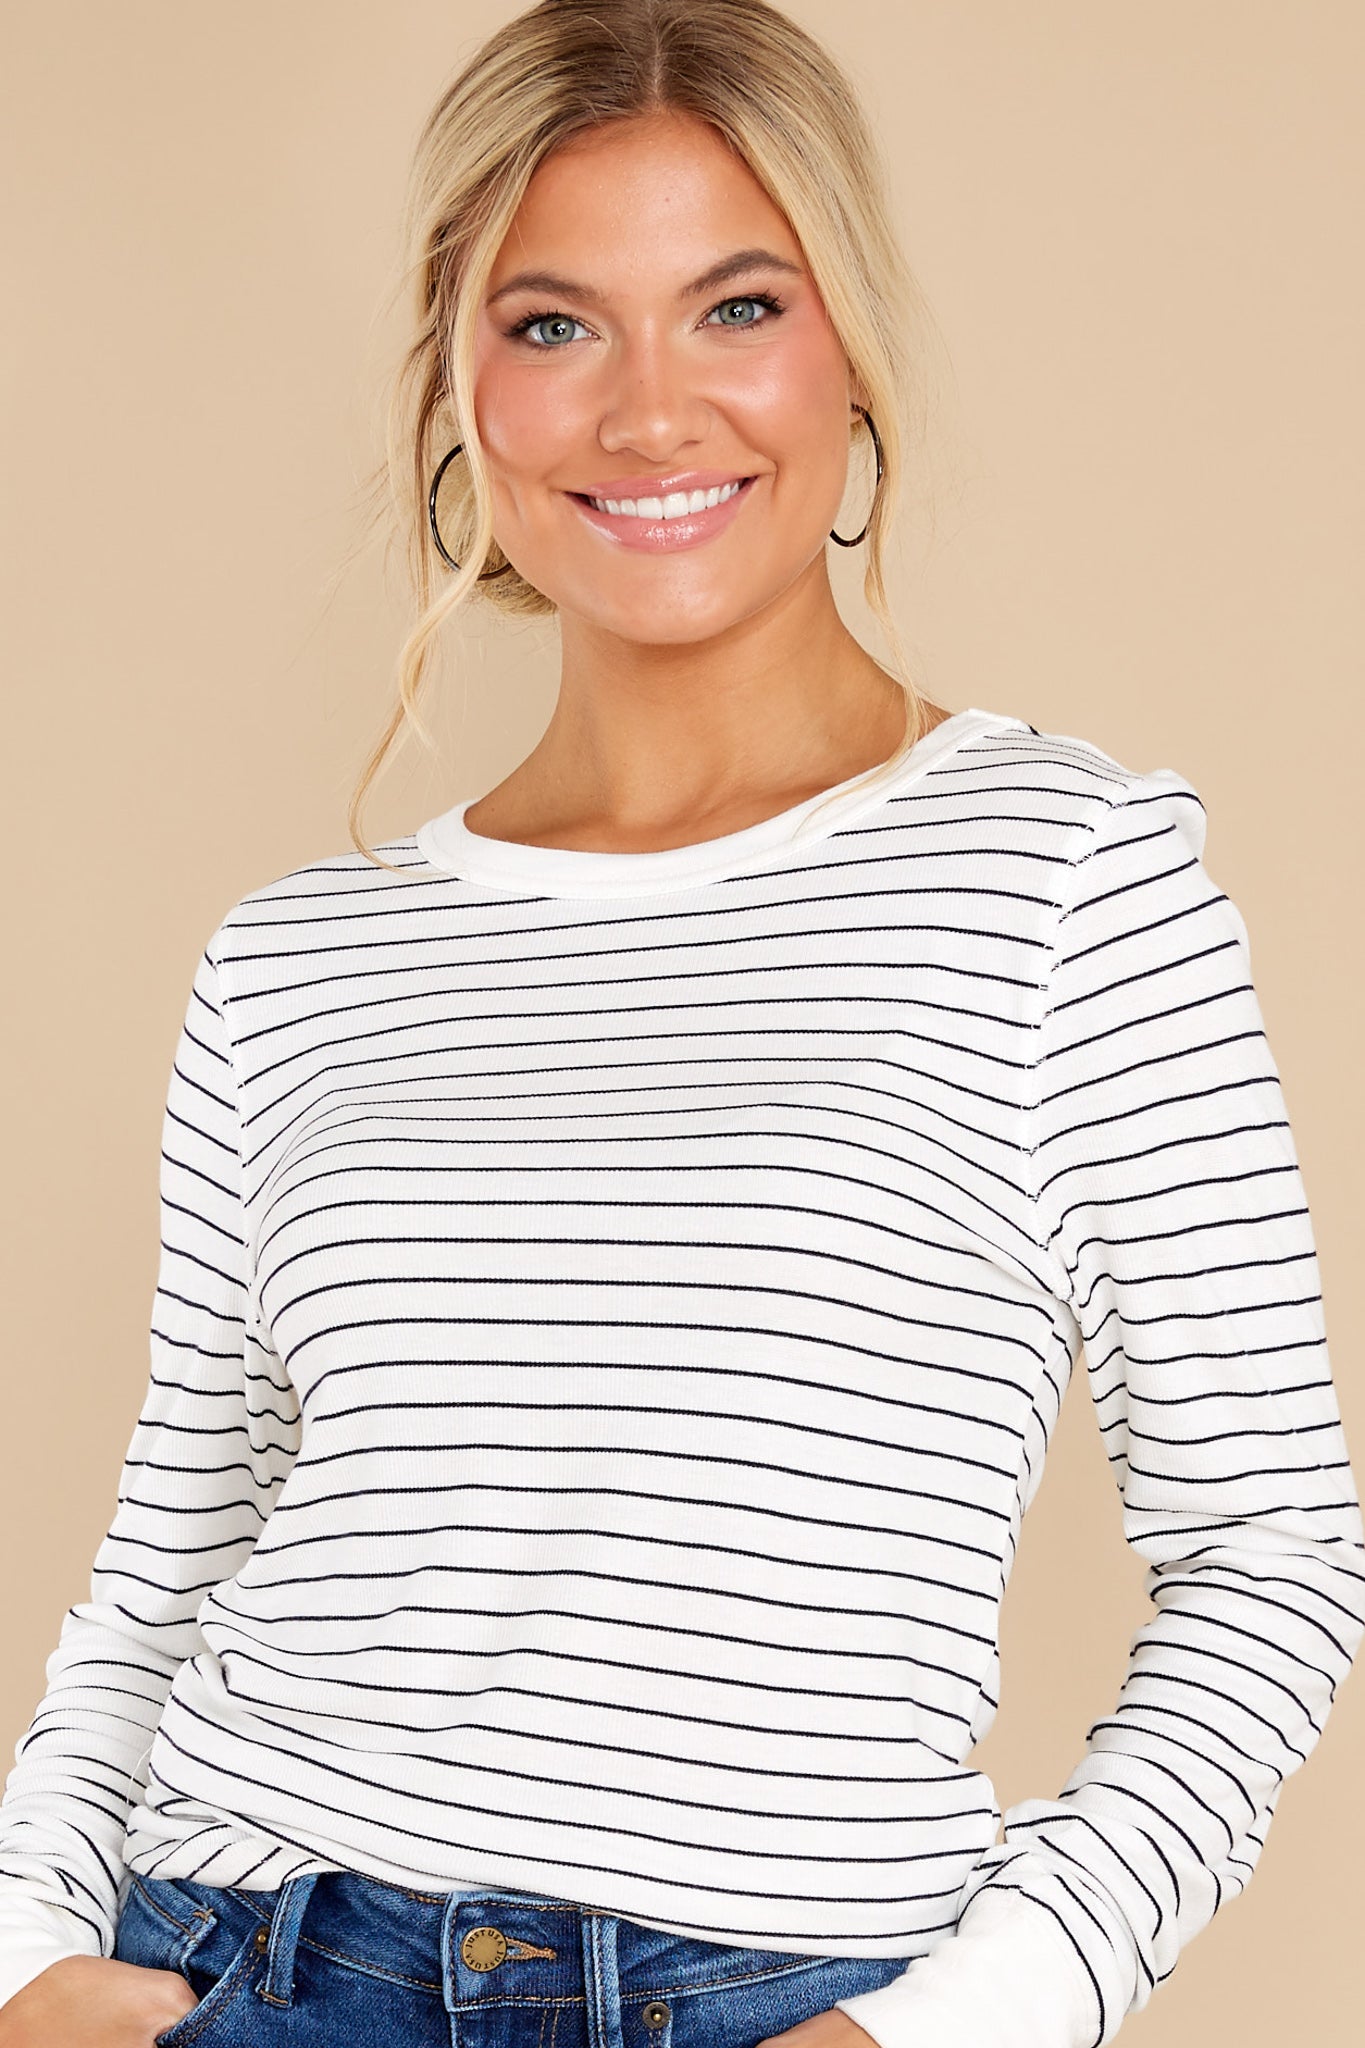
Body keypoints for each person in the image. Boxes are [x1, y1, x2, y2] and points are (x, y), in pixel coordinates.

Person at [2, 2, 1362, 2044]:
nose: (649, 414)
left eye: (735, 306)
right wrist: (26, 1961)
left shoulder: (1063, 872)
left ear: (848, 354)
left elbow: (1269, 1553)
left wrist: (950, 2024)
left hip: (767, 1997)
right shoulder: (294, 962)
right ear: (456, 389)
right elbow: (176, 1552)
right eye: (553, 324)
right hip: (245, 1960)